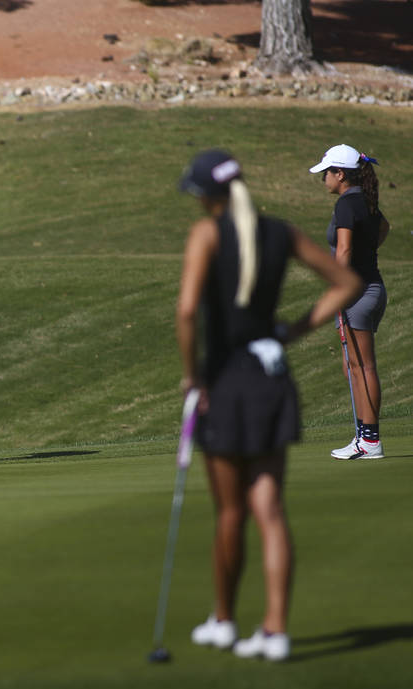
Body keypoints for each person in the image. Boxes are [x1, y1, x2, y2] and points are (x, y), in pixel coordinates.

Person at [175, 150, 361, 661]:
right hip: (271, 376)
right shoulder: (281, 231)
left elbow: (188, 311)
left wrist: (193, 377)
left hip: (227, 382)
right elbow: (347, 283)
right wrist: (292, 331)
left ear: (207, 196)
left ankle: (225, 620)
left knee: (231, 512)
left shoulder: (207, 235)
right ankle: (275, 630)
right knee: (270, 510)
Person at [309, 144, 390, 460]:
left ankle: (369, 441)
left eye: (326, 173)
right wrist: (367, 254)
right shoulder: (366, 201)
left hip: (355, 293)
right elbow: (384, 229)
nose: (324, 179)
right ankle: (364, 436)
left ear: (340, 174)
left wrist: (337, 289)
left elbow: (342, 251)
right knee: (354, 365)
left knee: (362, 365)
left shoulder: (346, 205)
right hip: (372, 288)